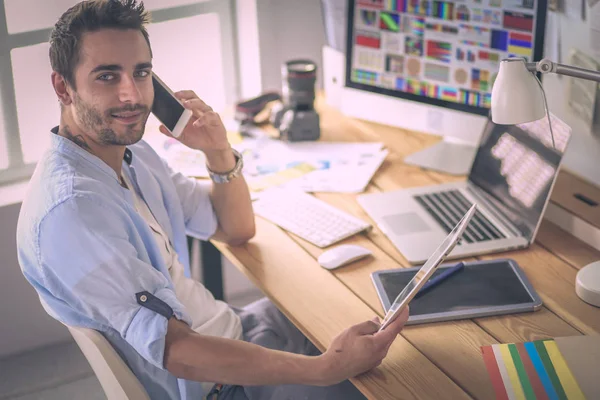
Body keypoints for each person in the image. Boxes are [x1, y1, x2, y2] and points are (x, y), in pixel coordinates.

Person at [16, 1, 410, 399]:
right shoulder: (74, 213)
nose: (132, 95)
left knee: (388, 325)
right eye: (106, 76)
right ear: (63, 87)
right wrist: (325, 369)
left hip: (238, 332)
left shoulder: (130, 155)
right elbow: (177, 350)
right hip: (221, 385)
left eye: (141, 72)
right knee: (413, 383)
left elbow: (235, 228)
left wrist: (218, 152)